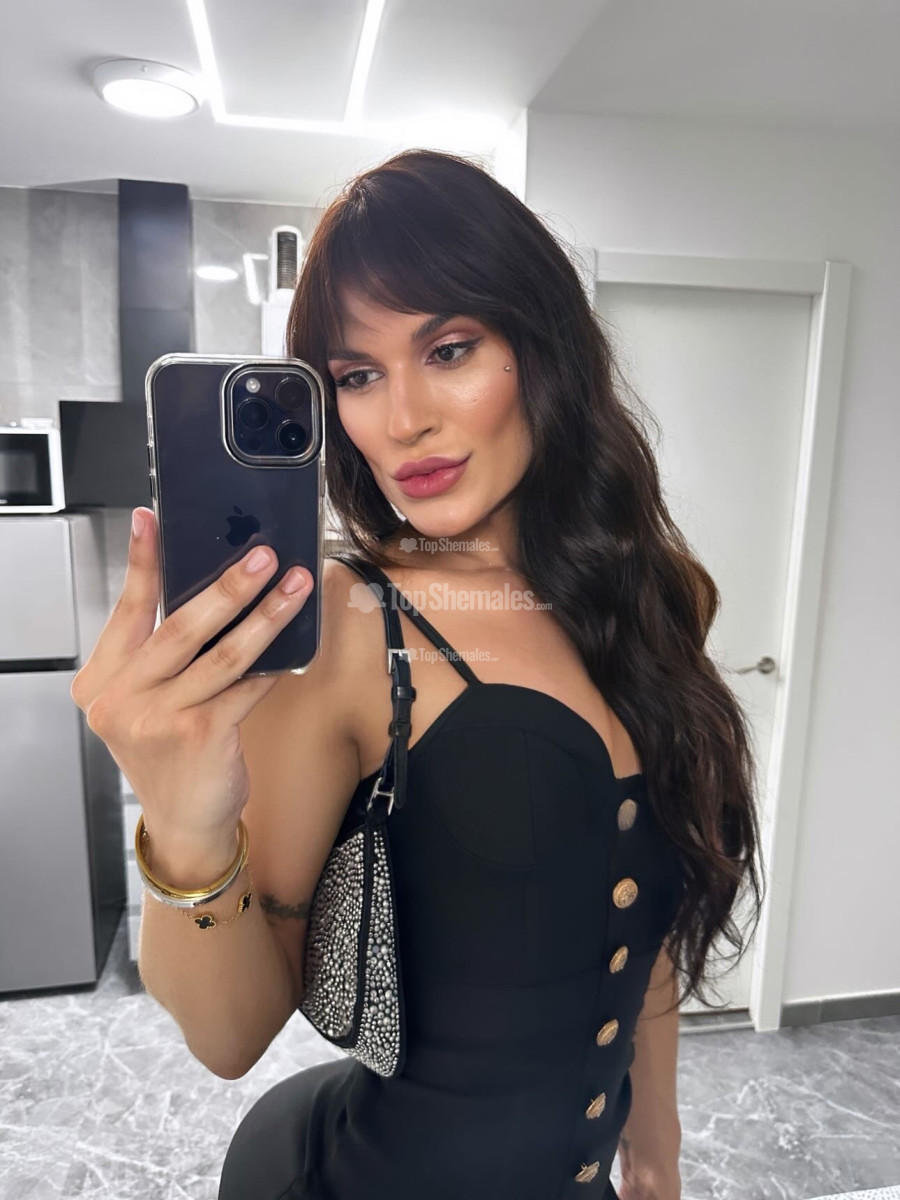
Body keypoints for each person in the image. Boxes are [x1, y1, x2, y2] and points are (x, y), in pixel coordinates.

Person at [72, 148, 763, 1200]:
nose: (401, 421)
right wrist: (183, 822)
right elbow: (230, 1036)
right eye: (356, 375)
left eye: (449, 349)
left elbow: (648, 932)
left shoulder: (650, 599)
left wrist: (655, 1148)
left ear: (544, 347)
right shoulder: (352, 631)